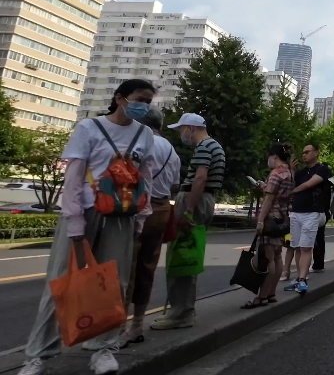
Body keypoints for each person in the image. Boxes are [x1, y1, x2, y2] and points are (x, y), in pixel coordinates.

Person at [19, 79, 158, 375]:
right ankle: (38, 355)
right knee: (62, 282)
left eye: (148, 101)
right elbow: (74, 176)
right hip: (85, 210)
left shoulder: (145, 134)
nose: (144, 106)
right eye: (140, 99)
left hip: (122, 216)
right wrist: (74, 221)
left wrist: (141, 217)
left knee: (115, 284)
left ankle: (104, 349)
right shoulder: (89, 128)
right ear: (120, 98)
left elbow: (144, 178)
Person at [154, 113, 224, 330]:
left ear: (191, 128)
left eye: (181, 129)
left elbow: (200, 178)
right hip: (204, 199)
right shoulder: (216, 147)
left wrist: (188, 210)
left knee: (181, 255)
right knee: (189, 254)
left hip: (194, 200)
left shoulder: (204, 147)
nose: (181, 134)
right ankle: (182, 310)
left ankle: (180, 313)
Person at [121, 107, 180, 345]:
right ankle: (137, 325)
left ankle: (117, 329)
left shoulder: (139, 144)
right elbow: (175, 184)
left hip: (137, 208)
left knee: (127, 267)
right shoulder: (172, 150)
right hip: (162, 208)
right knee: (148, 266)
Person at [247, 143, 295, 308]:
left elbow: (269, 200)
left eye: (269, 157)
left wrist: (260, 220)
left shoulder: (275, 174)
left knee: (268, 258)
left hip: (271, 219)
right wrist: (265, 186)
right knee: (277, 256)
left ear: (274, 157)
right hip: (282, 219)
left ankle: (263, 296)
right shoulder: (289, 174)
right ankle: (272, 293)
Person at [284, 144, 333, 294]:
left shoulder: (322, 169)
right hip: (296, 212)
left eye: (307, 152)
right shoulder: (300, 172)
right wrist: (291, 171)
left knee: (306, 247)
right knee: (297, 246)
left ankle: (303, 279)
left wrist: (292, 191)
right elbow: (290, 183)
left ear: (316, 153)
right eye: (303, 152)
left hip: (312, 212)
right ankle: (299, 278)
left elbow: (308, 185)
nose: (304, 155)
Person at [311, 172, 334, 273]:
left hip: (319, 212)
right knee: (320, 238)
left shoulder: (323, 185)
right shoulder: (331, 184)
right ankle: (319, 263)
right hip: (325, 212)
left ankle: (317, 264)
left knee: (314, 239)